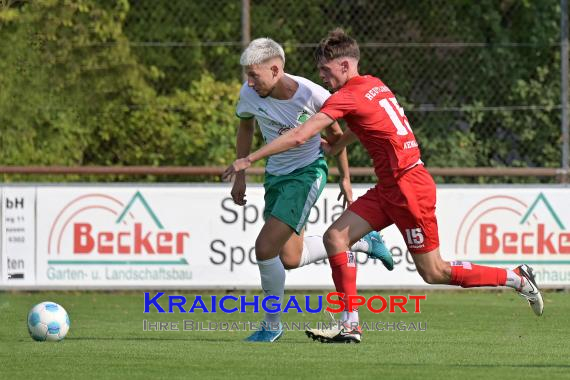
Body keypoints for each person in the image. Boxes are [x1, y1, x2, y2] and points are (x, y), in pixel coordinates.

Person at [223, 29, 544, 344]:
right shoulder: (373, 85)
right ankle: (350, 326)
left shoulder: (343, 96)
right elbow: (363, 122)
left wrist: (247, 160)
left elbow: (299, 135)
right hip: (388, 187)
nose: (321, 75)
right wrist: (337, 148)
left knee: (435, 273)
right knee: (336, 238)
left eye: (326, 69)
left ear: (346, 66)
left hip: (411, 189)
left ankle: (515, 277)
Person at [228, 37, 393, 343]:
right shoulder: (249, 94)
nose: (249, 83)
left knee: (265, 248)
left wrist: (345, 177)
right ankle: (360, 242)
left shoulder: (313, 95)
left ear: (276, 69)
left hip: (306, 174)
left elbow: (335, 136)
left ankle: (271, 324)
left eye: (254, 75)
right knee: (290, 257)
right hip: (275, 176)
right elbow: (246, 127)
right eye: (247, 76)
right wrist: (241, 175)